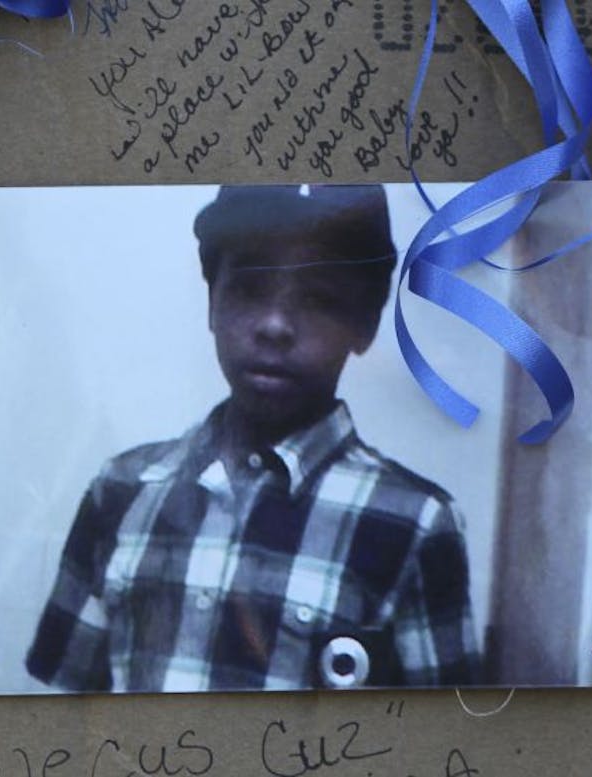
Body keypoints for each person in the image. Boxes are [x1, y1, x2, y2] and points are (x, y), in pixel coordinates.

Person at [26, 184, 481, 692]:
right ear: (212, 303)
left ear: (365, 324)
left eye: (319, 299)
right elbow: (67, 715)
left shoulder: (416, 524)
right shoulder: (121, 489)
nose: (275, 325)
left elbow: (445, 744)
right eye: (248, 289)